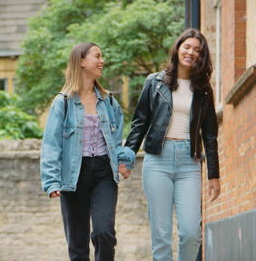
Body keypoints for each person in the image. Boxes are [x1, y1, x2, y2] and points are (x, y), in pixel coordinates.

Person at [123, 29, 221, 260]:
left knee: (190, 232)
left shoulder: (204, 90)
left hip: (189, 162)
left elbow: (210, 135)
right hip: (158, 160)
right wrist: (127, 156)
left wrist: (213, 175)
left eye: (197, 50)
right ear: (177, 48)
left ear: (201, 56)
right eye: (187, 46)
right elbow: (140, 123)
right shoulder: (154, 82)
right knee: (161, 233)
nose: (191, 52)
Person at [40, 42, 135, 261]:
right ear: (81, 61)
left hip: (104, 173)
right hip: (73, 175)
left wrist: (124, 160)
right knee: (78, 244)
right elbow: (51, 145)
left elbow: (117, 140)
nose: (102, 61)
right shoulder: (62, 103)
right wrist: (51, 181)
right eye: (97, 56)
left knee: (104, 233)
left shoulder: (109, 101)